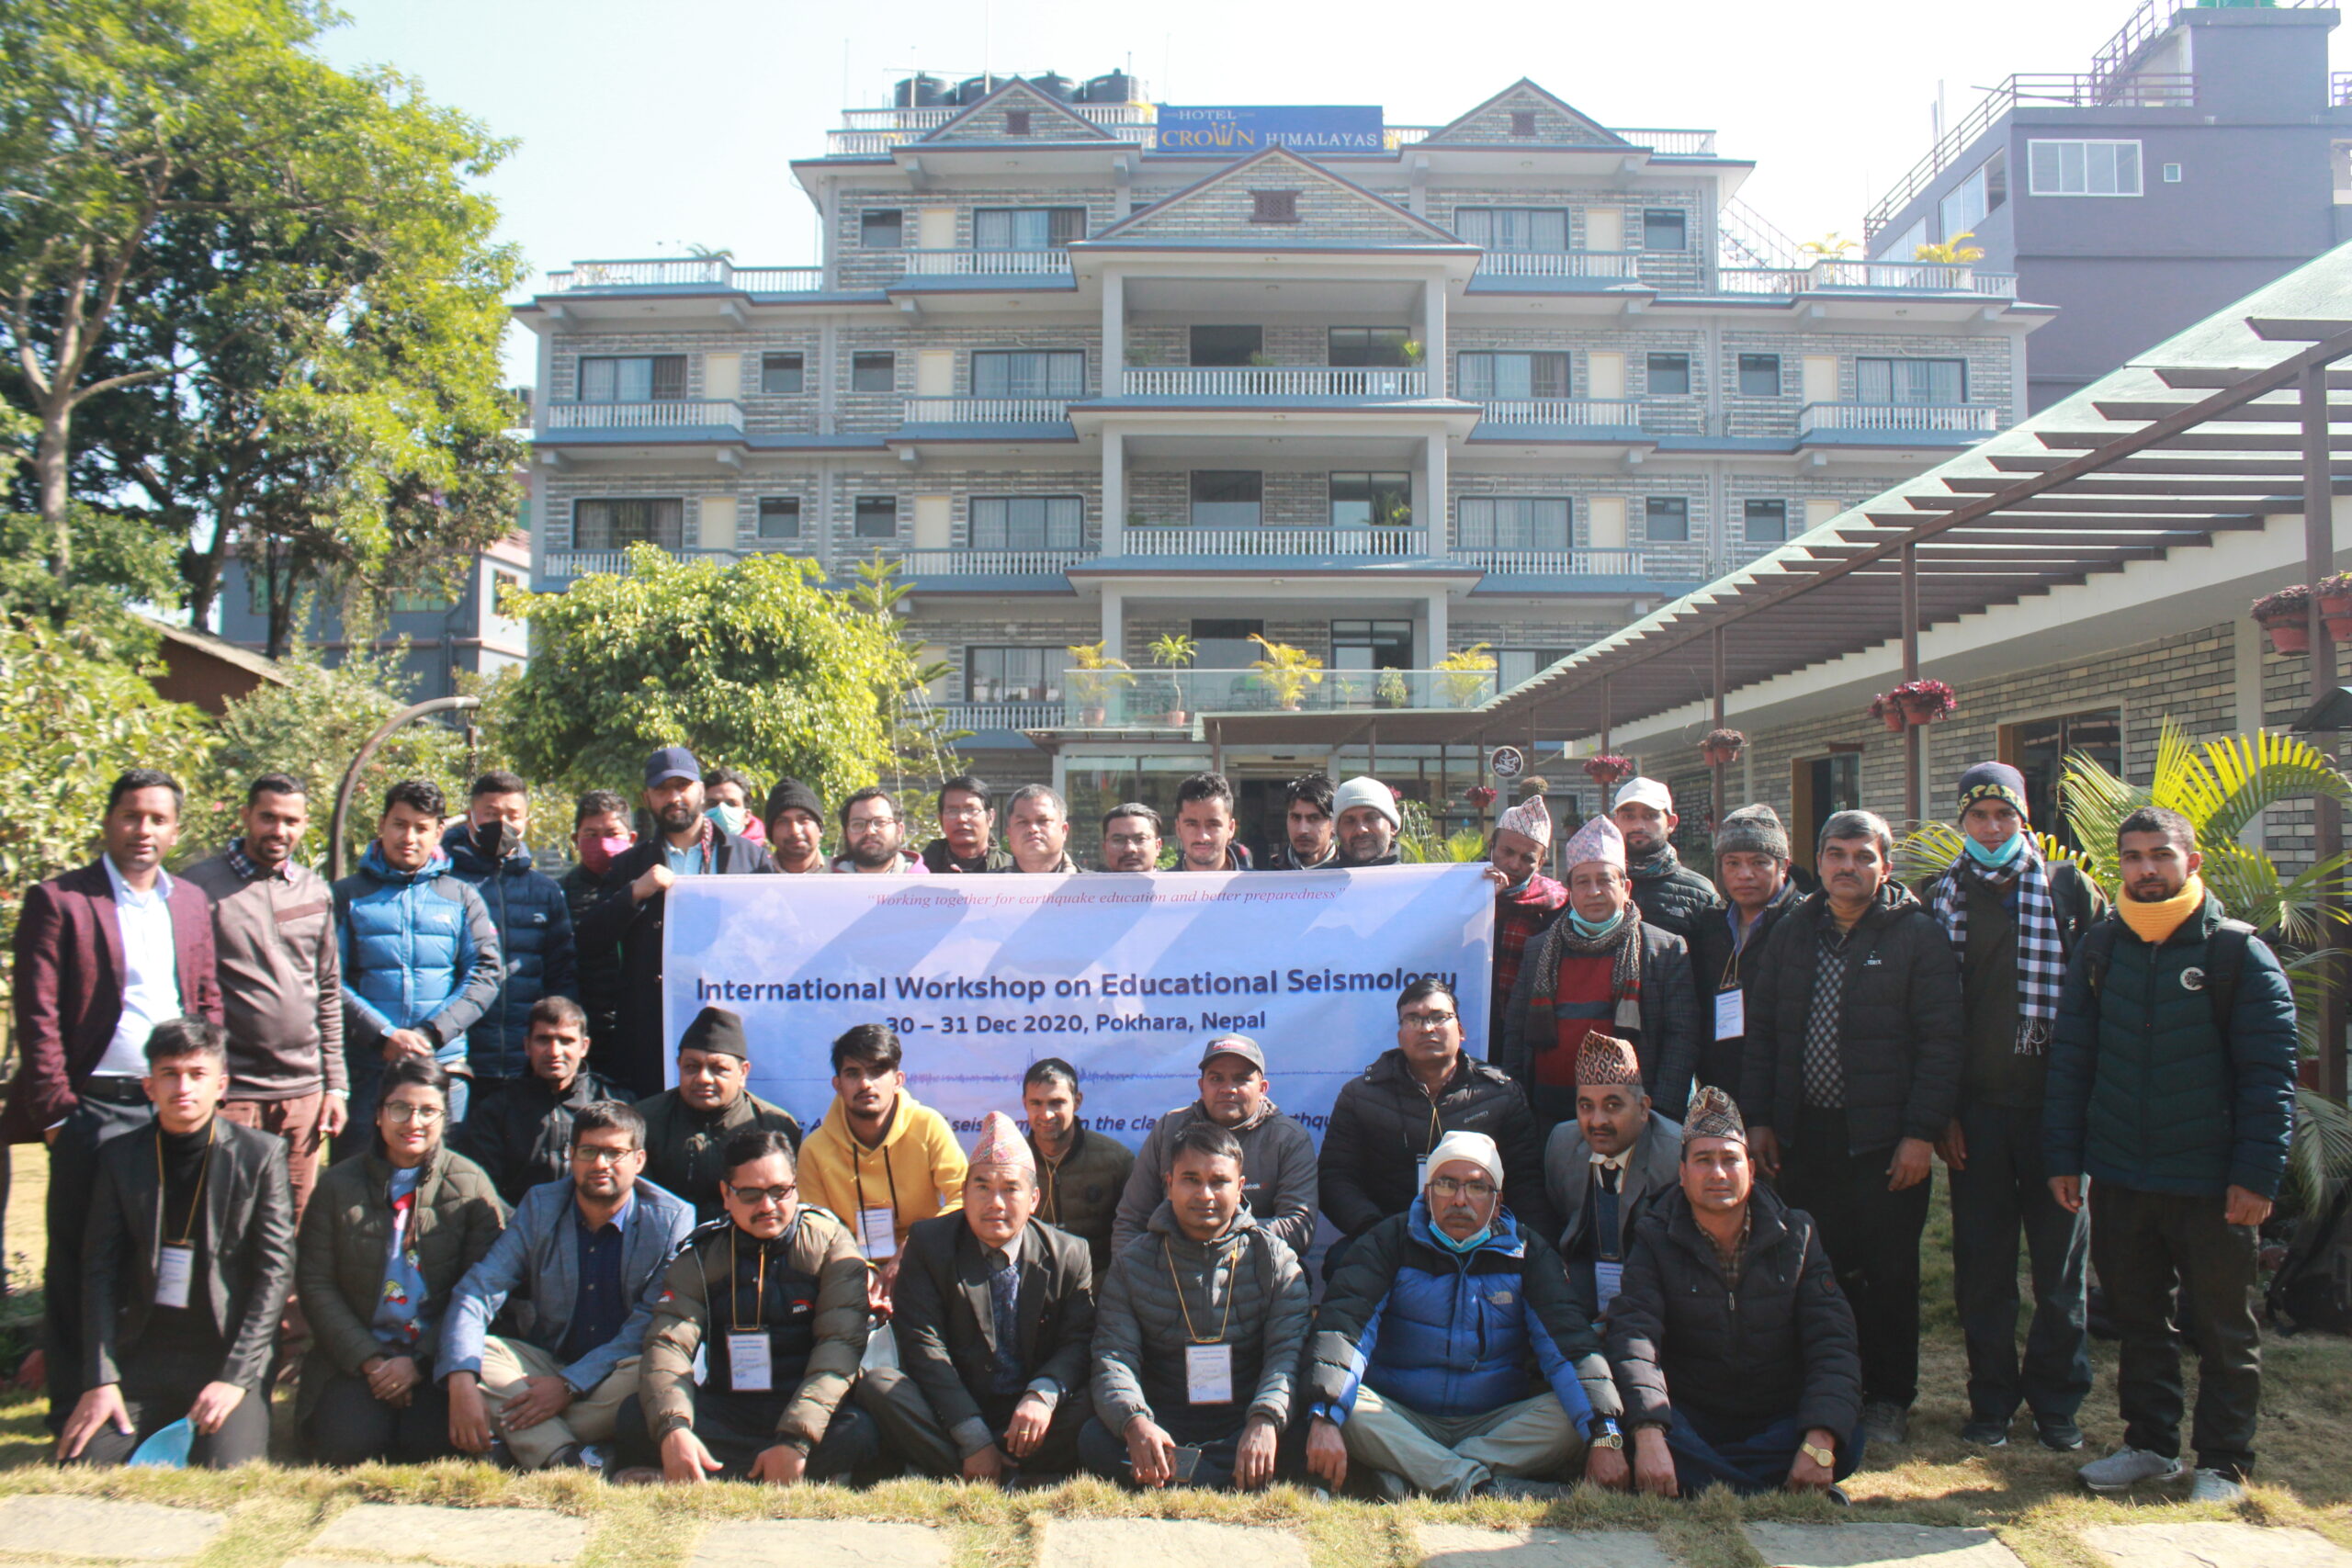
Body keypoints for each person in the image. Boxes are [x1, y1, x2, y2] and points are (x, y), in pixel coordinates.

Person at [2044, 805, 2296, 1504]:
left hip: (2213, 1183)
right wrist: (2065, 1156)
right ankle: (2150, 1445)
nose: (2146, 869)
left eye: (2161, 854)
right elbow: (2073, 1061)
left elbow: (2270, 1077)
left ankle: (2223, 1460)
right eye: (2132, 856)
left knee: (2221, 1326)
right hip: (2122, 1174)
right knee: (2138, 1320)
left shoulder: (2236, 953)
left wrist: (2255, 1175)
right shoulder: (2100, 948)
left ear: (2193, 863)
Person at [6, 768, 223, 1432]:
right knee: (80, 1252)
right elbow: (36, 1011)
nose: (144, 830)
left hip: (173, 1105)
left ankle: (145, 1398)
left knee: (156, 1253)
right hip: (91, 1107)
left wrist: (213, 1081)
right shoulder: (61, 899)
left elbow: (207, 996)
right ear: (110, 820)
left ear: (175, 828)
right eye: (132, 815)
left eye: (158, 819)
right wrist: (57, 1111)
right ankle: (75, 1407)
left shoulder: (188, 900)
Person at [1740, 808, 1962, 1449]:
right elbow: (1766, 1032)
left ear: (1884, 866)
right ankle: (1822, 1385)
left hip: (1886, 1141)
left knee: (1889, 1272)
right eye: (1835, 854)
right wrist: (1760, 1119)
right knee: (1814, 1268)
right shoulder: (1793, 928)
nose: (1847, 866)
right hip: (1804, 1136)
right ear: (1820, 862)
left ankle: (1889, 1395)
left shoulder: (1917, 934)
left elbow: (1942, 1041)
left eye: (1862, 856)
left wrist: (1920, 1133)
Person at [1922, 762, 2105, 1452]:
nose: (1992, 828)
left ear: (2023, 819)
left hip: (2055, 1111)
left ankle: (2058, 1401)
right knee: (1984, 1265)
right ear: (1961, 823)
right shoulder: (1939, 894)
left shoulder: (2067, 890)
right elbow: (1932, 1014)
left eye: (2004, 816)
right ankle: (1991, 1399)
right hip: (1977, 1116)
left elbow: (2095, 999)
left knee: (2060, 1270)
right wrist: (1943, 1112)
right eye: (1979, 817)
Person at [1303, 1130, 1623, 1500]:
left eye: (1476, 1188)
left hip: (1491, 1422)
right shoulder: (1389, 1241)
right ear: (1427, 1192)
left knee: (1572, 1419)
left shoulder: (1526, 1252)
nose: (1459, 1200)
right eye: (1446, 1184)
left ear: (1497, 1201)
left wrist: (1606, 1435)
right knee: (1348, 1409)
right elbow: (1345, 1333)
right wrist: (1325, 1417)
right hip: (1401, 1416)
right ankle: (1483, 1488)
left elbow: (1569, 1346)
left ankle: (1417, 1476)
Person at [59, 1019, 294, 1470]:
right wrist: (101, 1379)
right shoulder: (119, 1157)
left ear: (221, 1085)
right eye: (169, 1073)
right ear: (149, 1085)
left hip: (226, 1354)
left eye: (196, 1074)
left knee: (225, 1468)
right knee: (86, 1462)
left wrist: (235, 1377)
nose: (182, 1086)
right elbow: (100, 1273)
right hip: (146, 1355)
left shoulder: (260, 1156)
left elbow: (275, 1273)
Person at [1605, 1088, 1863, 1497]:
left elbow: (1833, 1342)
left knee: (1843, 1440)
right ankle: (1763, 1489)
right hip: (1688, 1413)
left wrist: (1820, 1441)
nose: (1718, 1174)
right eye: (1704, 1161)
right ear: (1683, 1173)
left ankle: (1704, 1483)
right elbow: (1635, 1338)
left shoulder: (1798, 1233)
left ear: (1752, 1169)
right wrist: (1652, 1435)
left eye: (1730, 1160)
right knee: (1639, 1430)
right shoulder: (1654, 1235)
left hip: (1775, 1414)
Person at [441, 1100, 695, 1471]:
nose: (600, 1164)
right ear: (570, 1155)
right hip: (548, 1361)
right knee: (477, 1352)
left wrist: (569, 1385)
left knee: (654, 1372)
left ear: (638, 1160)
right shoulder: (542, 1206)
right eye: (588, 1152)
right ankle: (573, 1460)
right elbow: (480, 1288)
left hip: (615, 1371)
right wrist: (461, 1380)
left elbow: (649, 1322)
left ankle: (523, 1444)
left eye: (614, 1153)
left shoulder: (672, 1218)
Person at [622, 1129, 882, 1483]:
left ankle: (721, 1474)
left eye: (780, 1192)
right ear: (726, 1195)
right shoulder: (701, 1256)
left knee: (861, 1431)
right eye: (750, 1194)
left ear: (796, 1187)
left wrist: (796, 1440)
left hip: (804, 1406)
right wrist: (675, 1429)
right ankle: (752, 1473)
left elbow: (840, 1349)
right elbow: (668, 1346)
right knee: (635, 1416)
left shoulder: (831, 1246)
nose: (767, 1206)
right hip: (729, 1407)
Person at [858, 1113, 1096, 1480]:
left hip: (1028, 1411)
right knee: (880, 1386)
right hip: (952, 1407)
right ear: (964, 1193)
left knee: (1092, 1397)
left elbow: (1077, 1343)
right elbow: (924, 1345)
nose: (995, 1203)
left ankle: (970, 1468)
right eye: (982, 1187)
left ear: (1034, 1199)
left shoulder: (1070, 1253)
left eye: (1010, 1189)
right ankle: (994, 1466)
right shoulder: (929, 1244)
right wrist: (972, 1436)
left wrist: (1042, 1396)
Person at [297, 1056, 507, 1465]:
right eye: (400, 1108)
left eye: (428, 1110)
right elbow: (316, 1285)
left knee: (429, 1446)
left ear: (445, 1117)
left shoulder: (470, 1183)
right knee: (349, 1446)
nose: (413, 1122)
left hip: (435, 1356)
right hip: (356, 1356)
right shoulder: (337, 1185)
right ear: (378, 1115)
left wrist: (419, 1362)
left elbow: (479, 1288)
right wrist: (371, 1361)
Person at [1083, 1123, 1310, 1492]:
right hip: (1164, 1418)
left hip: (1244, 1416)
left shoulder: (1275, 1259)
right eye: (1191, 1179)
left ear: (1240, 1188)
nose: (1205, 1194)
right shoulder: (1133, 1262)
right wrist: (1136, 1423)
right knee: (1095, 1437)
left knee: (1301, 1434)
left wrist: (1266, 1419)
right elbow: (1113, 1356)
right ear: (1169, 1183)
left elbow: (1288, 1353)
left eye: (1219, 1181)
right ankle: (1221, 1476)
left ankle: (1182, 1476)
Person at [183, 773, 345, 1214]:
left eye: (291, 821)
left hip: (303, 1092)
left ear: (305, 824)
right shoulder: (197, 888)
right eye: (268, 817)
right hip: (231, 1090)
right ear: (245, 817)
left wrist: (336, 1086)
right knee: (226, 1219)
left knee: (290, 1223)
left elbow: (328, 991)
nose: (279, 830)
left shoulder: (314, 890)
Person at [577, 748, 772, 1099]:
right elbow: (590, 939)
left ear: (700, 790)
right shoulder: (629, 866)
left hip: (729, 1020)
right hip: (653, 1030)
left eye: (682, 786)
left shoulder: (748, 857)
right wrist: (635, 893)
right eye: (663, 790)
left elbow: (777, 934)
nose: (674, 798)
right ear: (647, 797)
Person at [1498, 815, 1700, 1138]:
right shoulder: (1539, 949)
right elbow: (1516, 1033)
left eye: (1605, 880)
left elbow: (1681, 1038)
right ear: (1569, 890)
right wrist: (1517, 1106)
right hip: (1546, 1116)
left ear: (1625, 886)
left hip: (1635, 1121)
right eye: (1583, 881)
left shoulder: (1664, 950)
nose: (1594, 892)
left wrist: (1661, 1115)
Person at [1319, 979, 1553, 1252]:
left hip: (1481, 1240)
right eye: (1414, 1019)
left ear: (1461, 1029)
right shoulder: (1360, 1097)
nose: (1427, 1028)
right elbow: (1335, 1178)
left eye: (1439, 1017)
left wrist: (1539, 1251)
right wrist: (1375, 1230)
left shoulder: (1501, 1094)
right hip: (1389, 1240)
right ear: (1400, 1035)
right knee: (1341, 1262)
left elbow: (1526, 1182)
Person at [334, 777, 502, 1128]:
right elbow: (328, 978)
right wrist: (382, 1034)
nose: (408, 838)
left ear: (438, 832)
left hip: (442, 1066)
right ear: (381, 825)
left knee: (439, 1177)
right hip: (369, 1069)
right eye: (399, 824)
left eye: (421, 828)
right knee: (363, 1176)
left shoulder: (461, 897)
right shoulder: (345, 896)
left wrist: (430, 1033)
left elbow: (485, 975)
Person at [797, 1024, 967, 1311]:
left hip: (924, 1261)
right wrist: (859, 1270)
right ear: (837, 1084)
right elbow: (816, 1229)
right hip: (846, 1270)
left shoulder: (927, 1125)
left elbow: (964, 1197)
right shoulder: (815, 1148)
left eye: (877, 1072)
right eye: (853, 1073)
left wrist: (913, 1249)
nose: (866, 1084)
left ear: (898, 1079)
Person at [1111, 1035, 1317, 1259]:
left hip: (1256, 1270)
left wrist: (1215, 1238)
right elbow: (1132, 1220)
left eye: (1241, 1079)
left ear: (1262, 1088)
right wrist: (1130, 1276)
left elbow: (1298, 1229)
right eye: (1216, 1078)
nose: (1228, 1089)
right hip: (1170, 1272)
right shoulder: (1169, 1129)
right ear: (1202, 1086)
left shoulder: (1289, 1138)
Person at [441, 772, 577, 1093]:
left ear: (526, 819)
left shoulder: (545, 891)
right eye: (491, 814)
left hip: (527, 1062)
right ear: (471, 818)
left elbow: (562, 974)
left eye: (512, 815)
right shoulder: (445, 886)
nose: (503, 823)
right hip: (461, 1059)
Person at [1543, 1033, 1681, 1317]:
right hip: (1585, 1281)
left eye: (1612, 1105)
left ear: (1643, 1109)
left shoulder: (1675, 1156)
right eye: (1586, 1106)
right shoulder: (1562, 1144)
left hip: (1658, 1295)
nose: (1597, 1121)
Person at [633, 1005, 804, 1223]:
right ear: (679, 1066)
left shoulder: (773, 1125)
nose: (703, 1078)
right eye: (691, 1067)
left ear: (743, 1073)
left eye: (718, 1069)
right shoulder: (645, 1120)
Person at [1684, 805, 1802, 1115]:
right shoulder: (1710, 925)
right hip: (1720, 1088)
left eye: (1759, 862)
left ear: (1784, 866)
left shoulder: (1805, 924)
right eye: (1732, 863)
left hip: (1787, 1093)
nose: (1744, 874)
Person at [454, 997, 627, 1204]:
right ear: (527, 1045)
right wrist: (523, 1229)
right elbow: (483, 1189)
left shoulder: (614, 1102)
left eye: (566, 1040)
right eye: (543, 1040)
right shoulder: (497, 1108)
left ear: (584, 1046)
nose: (554, 1052)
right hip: (517, 1229)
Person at [1023, 1059, 1135, 1274]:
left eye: (1057, 1102)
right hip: (1030, 1291)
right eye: (1036, 1103)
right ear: (1024, 1103)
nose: (1046, 1114)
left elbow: (1135, 1237)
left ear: (1077, 1101)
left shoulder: (1117, 1161)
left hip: (1099, 1291)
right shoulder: (1012, 1163)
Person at [560, 790, 634, 1058]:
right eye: (591, 835)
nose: (602, 843)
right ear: (575, 841)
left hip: (637, 1024)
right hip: (585, 1028)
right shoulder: (560, 893)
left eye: (612, 834)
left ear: (631, 839)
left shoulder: (647, 889)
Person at [1487, 791, 1569, 1032]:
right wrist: (1482, 901)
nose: (1514, 865)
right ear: (1492, 846)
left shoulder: (1554, 904)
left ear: (1541, 863)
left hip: (1525, 1024)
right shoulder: (1463, 888)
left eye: (1527, 858)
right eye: (1507, 852)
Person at [1611, 778, 1724, 941]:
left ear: (1671, 823)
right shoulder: (1599, 885)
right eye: (1629, 816)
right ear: (1615, 823)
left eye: (1650, 816)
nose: (1638, 825)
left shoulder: (1699, 893)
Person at [922, 774, 1011, 874]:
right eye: (952, 811)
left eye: (971, 810)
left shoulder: (1013, 870)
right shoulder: (920, 870)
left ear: (991, 817)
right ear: (940, 819)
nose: (961, 819)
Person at [831, 785, 928, 874]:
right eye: (858, 824)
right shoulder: (826, 884)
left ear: (899, 831)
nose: (869, 831)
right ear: (845, 833)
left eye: (880, 822)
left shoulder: (923, 884)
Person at [1174, 772, 1253, 871]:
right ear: (1178, 829)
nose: (1203, 837)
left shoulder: (1261, 885)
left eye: (1213, 825)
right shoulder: (1161, 885)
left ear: (1231, 828)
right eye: (1192, 825)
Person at [1000, 784, 1080, 874]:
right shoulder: (985, 886)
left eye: (1043, 820)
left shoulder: (1092, 885)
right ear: (1009, 834)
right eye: (1023, 822)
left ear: (1064, 831)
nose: (1033, 829)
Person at [1266, 774, 1338, 871]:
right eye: (1295, 817)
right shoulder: (1267, 875)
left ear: (1333, 824)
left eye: (1313, 818)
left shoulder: (1354, 873)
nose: (1302, 830)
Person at [1331, 776, 1402, 868]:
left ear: (1392, 826)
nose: (1360, 830)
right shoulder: (1316, 880)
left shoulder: (1415, 880)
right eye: (1349, 821)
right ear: (1337, 830)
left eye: (1371, 818)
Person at [762, 779, 829, 874]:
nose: (794, 831)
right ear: (771, 833)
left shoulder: (844, 877)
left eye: (804, 820)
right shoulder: (750, 880)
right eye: (783, 822)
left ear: (820, 828)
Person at [706, 766, 765, 847]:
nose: (721, 809)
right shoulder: (687, 854)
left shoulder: (762, 858)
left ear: (747, 816)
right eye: (713, 803)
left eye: (731, 804)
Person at [1098, 804, 1164, 873]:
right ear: (1105, 848)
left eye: (1140, 839)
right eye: (1118, 840)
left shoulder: (1173, 883)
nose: (1129, 849)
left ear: (1157, 846)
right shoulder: (1091, 883)